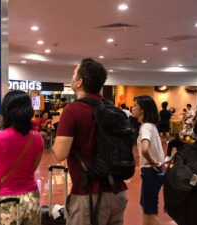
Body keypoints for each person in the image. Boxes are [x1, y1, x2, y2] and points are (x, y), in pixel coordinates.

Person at [53, 58, 127, 225]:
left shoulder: (72, 110)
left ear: (79, 82)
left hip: (89, 195)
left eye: (74, 74)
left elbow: (59, 153)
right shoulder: (112, 108)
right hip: (118, 191)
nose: (71, 77)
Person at [0, 90, 44, 225]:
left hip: (6, 200)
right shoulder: (37, 138)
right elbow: (33, 168)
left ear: (6, 111)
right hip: (31, 198)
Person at [131, 95, 165, 225]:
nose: (132, 108)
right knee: (146, 208)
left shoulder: (145, 128)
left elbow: (145, 149)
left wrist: (150, 161)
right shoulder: (150, 125)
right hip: (152, 172)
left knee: (151, 211)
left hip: (151, 171)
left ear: (143, 110)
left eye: (135, 106)